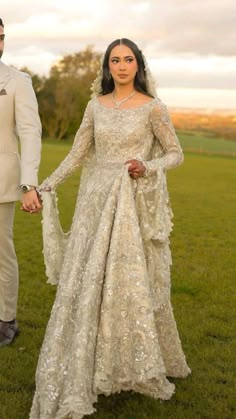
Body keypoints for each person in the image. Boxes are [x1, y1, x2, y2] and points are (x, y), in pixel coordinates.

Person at [30, 38, 190, 418]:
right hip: (93, 202)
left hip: (128, 203)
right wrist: (46, 185)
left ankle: (131, 361)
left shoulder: (153, 108)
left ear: (138, 65)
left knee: (128, 282)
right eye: (115, 60)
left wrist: (146, 165)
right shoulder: (94, 106)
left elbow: (175, 153)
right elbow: (77, 153)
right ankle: (87, 358)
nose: (121, 66)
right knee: (87, 280)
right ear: (107, 66)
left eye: (128, 59)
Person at [0, 18, 42, 347]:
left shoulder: (17, 81)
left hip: (2, 181)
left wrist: (29, 183)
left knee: (2, 253)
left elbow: (30, 133)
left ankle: (5, 321)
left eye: (1, 37)